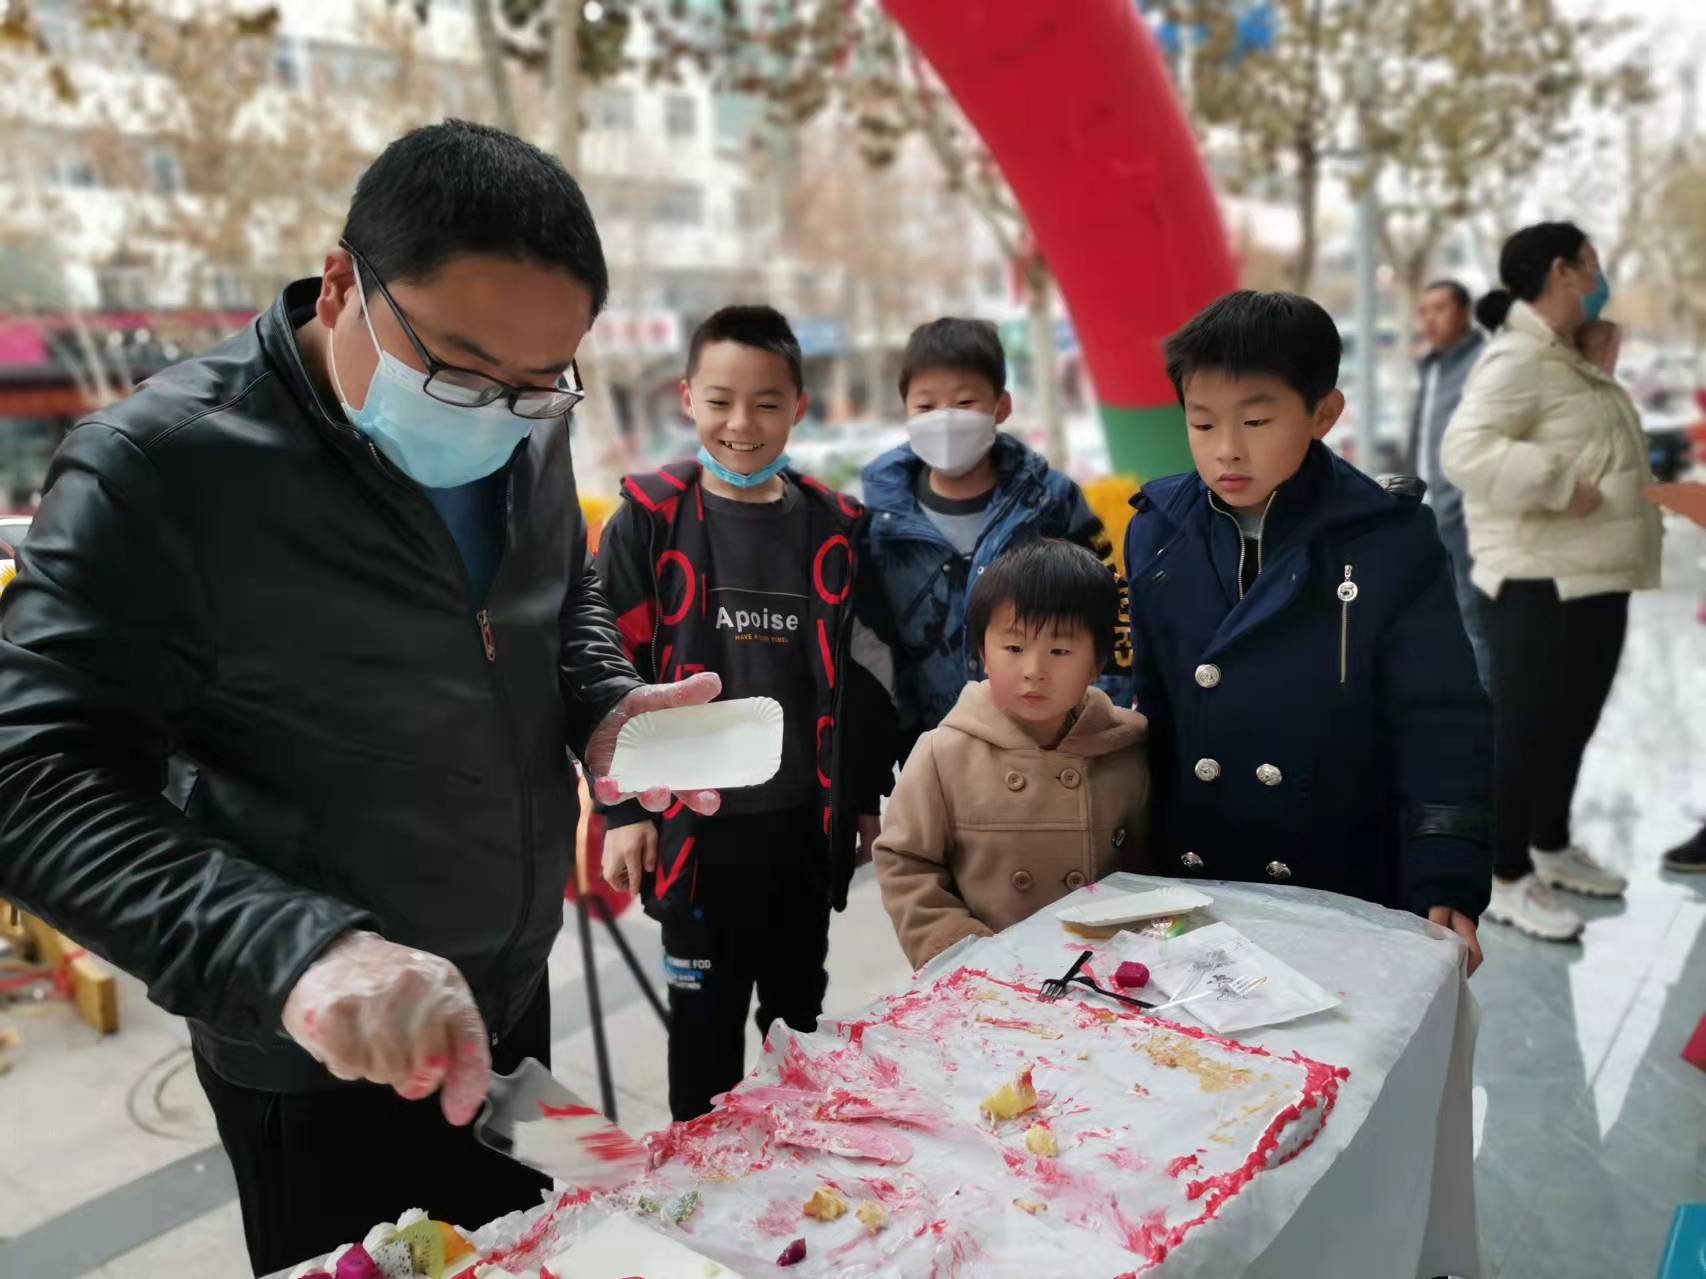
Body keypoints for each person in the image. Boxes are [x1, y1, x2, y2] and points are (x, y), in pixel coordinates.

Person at [0, 121, 724, 1275]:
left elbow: (553, 592)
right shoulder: (159, 470)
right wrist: (299, 953)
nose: (499, 415)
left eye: (541, 386)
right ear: (341, 283)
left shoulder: (527, 416)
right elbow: (31, 778)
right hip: (321, 1043)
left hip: (502, 991)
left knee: (522, 1250)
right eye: (458, 372)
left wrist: (601, 702)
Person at [1124, 291, 1492, 973]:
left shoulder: (1387, 536)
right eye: (1202, 424)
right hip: (1199, 872)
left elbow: (1441, 717)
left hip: (1342, 869)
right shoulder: (1155, 532)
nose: (1227, 450)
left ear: (1324, 413)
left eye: (1257, 420)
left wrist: (1448, 868)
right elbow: (1147, 706)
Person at [593, 305, 896, 1121]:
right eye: (721, 399)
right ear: (687, 397)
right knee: (702, 1045)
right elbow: (600, 668)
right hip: (693, 839)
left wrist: (865, 800)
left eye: (767, 402)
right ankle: (705, 1213)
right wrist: (622, 809)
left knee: (797, 1032)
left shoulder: (835, 527)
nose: (741, 423)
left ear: (799, 407)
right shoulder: (649, 522)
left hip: (802, 829)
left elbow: (864, 679)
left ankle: (796, 1198)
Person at [1442, 222, 1663, 941]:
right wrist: (1560, 484)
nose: (1600, 277)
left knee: (1569, 725)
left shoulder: (1563, 356)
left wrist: (1599, 355)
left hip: (1592, 575)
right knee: (1525, 730)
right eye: (1592, 265)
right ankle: (1505, 876)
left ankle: (1550, 843)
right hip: (1537, 580)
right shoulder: (1515, 358)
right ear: (1563, 271)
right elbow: (1464, 451)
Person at [861, 317, 1130, 764]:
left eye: (965, 402)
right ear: (905, 410)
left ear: (1000, 406)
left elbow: (1111, 604)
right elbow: (869, 641)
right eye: (926, 407)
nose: (945, 420)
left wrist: (1106, 713)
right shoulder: (879, 520)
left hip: (1048, 747)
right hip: (931, 752)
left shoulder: (1051, 501)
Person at [874, 539, 1149, 969]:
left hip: (1106, 975)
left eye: (1060, 651)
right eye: (1014, 648)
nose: (1034, 670)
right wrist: (959, 951)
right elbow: (905, 862)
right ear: (983, 654)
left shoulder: (1126, 749)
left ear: (1097, 662)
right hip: (989, 978)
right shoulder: (943, 752)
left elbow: (1147, 866)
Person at [1406, 279, 1490, 685]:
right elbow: (1422, 441)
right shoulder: (1432, 367)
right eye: (1423, 311)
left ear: (1464, 312)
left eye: (1439, 308)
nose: (1429, 319)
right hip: (1428, 516)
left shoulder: (1483, 364)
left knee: (1474, 623)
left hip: (1467, 519)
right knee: (1439, 623)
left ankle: (1486, 726)